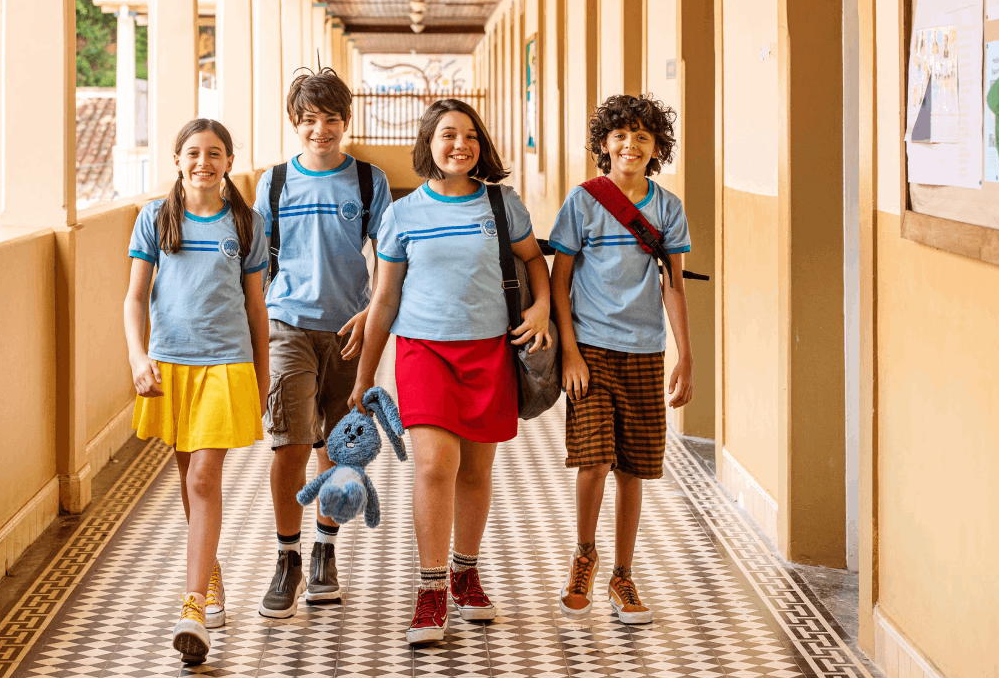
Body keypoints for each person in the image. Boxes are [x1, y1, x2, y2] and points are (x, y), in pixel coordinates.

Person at [349, 98, 552, 644]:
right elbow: (384, 298)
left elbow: (534, 260)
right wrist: (365, 376)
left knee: (475, 470)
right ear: (428, 145)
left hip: (490, 350)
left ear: (480, 145)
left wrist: (541, 308)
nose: (459, 145)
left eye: (469, 136)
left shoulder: (502, 205)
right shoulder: (404, 214)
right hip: (424, 352)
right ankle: (432, 587)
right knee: (435, 465)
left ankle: (466, 572)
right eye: (446, 135)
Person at [123, 118, 269, 662]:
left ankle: (190, 606)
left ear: (229, 162)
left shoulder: (247, 224)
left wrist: (262, 373)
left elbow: (256, 306)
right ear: (177, 160)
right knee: (190, 481)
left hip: (226, 365)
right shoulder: (155, 220)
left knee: (206, 475)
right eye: (192, 153)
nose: (203, 162)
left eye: (214, 153)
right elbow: (135, 300)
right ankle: (209, 576)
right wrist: (139, 357)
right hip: (170, 366)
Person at [548, 94, 693, 624]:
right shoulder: (583, 201)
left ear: (656, 149)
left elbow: (674, 287)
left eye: (642, 137)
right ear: (603, 144)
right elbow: (559, 282)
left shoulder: (667, 207)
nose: (629, 145)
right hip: (589, 348)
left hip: (645, 352)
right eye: (620, 135)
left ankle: (623, 575)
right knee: (595, 461)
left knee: (633, 469)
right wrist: (569, 353)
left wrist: (686, 356)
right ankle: (584, 555)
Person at [253, 68, 393, 619]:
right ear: (295, 123)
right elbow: (256, 258)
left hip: (348, 330)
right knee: (289, 442)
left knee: (337, 451)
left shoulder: (368, 181)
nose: (321, 129)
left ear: (345, 121)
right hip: (288, 324)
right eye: (309, 119)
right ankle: (287, 557)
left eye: (331, 119)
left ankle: (324, 550)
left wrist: (371, 312)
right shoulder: (274, 182)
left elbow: (389, 256)